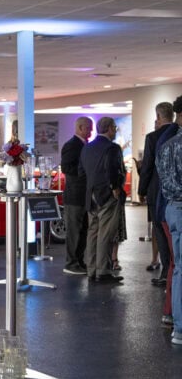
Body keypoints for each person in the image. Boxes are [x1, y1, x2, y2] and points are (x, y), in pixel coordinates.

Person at [79, 117, 125, 283]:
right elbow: (113, 169)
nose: (115, 131)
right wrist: (115, 188)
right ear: (110, 128)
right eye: (114, 128)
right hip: (107, 195)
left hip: (90, 195)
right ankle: (103, 271)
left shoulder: (86, 148)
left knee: (92, 232)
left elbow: (81, 172)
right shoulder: (112, 148)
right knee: (105, 233)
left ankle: (91, 270)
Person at [139, 102, 176, 288]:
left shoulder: (153, 138)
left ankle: (166, 272)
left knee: (160, 232)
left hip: (157, 192)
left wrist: (141, 190)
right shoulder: (178, 133)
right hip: (176, 193)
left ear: (158, 117)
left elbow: (147, 167)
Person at [154, 96, 181, 326]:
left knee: (175, 265)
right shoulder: (172, 141)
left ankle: (172, 315)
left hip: (168, 209)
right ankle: (174, 317)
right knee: (177, 265)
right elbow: (171, 184)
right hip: (175, 209)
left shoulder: (165, 140)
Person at [60, 116, 92, 275]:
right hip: (75, 195)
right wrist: (85, 172)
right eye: (88, 128)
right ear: (80, 128)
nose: (91, 131)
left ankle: (79, 261)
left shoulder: (84, 145)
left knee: (83, 229)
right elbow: (66, 167)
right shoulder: (72, 145)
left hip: (83, 195)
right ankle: (71, 263)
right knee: (74, 230)